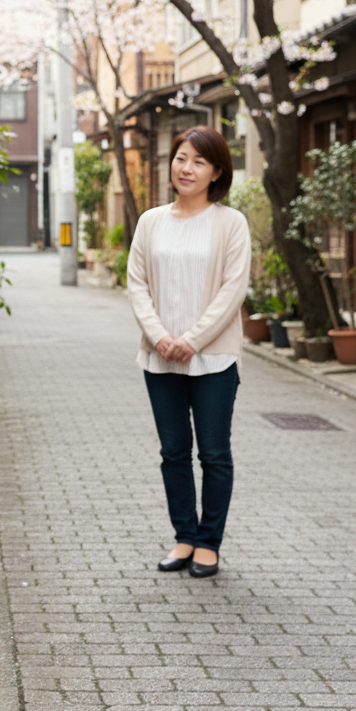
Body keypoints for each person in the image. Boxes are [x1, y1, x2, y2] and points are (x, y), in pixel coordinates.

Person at [127, 126, 251, 578]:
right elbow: (137, 284)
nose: (187, 168)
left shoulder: (231, 223)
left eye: (199, 161)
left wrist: (192, 340)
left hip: (214, 358)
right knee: (173, 452)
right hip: (159, 358)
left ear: (216, 172)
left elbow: (232, 290)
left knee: (214, 453)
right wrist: (161, 336)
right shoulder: (151, 221)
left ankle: (208, 542)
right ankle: (184, 536)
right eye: (182, 158)